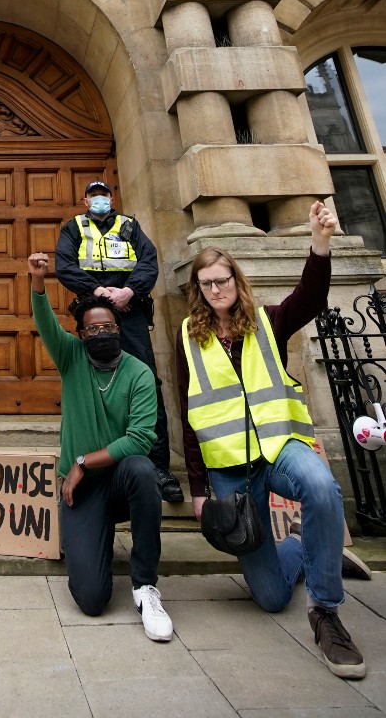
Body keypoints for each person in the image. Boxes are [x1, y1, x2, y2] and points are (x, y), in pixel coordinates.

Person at [177, 202, 369, 680]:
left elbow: (311, 297)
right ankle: (309, 548)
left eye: (223, 279)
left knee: (322, 488)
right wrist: (199, 489)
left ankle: (325, 612)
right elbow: (189, 414)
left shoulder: (269, 320)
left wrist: (319, 243)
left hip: (281, 447)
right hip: (230, 469)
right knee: (270, 597)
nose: (216, 288)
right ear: (198, 290)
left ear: (235, 281)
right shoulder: (188, 336)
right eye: (207, 283)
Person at [29, 252, 173, 640]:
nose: (100, 334)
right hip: (84, 493)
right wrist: (38, 282)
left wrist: (82, 462)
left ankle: (145, 585)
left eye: (107, 327)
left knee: (144, 469)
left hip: (121, 481)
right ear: (80, 335)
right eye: (91, 330)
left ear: (118, 327)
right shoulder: (71, 358)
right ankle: (95, 541)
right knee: (91, 600)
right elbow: (44, 322)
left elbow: (142, 438)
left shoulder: (138, 372)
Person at [55, 179, 184, 503]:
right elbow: (65, 267)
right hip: (92, 313)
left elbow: (148, 261)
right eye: (93, 196)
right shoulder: (74, 228)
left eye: (104, 195)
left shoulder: (128, 226)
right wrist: (99, 293)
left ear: (111, 199)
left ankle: (158, 467)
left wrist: (129, 291)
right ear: (85, 201)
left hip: (130, 311)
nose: (99, 200)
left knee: (147, 382)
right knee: (91, 383)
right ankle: (94, 461)